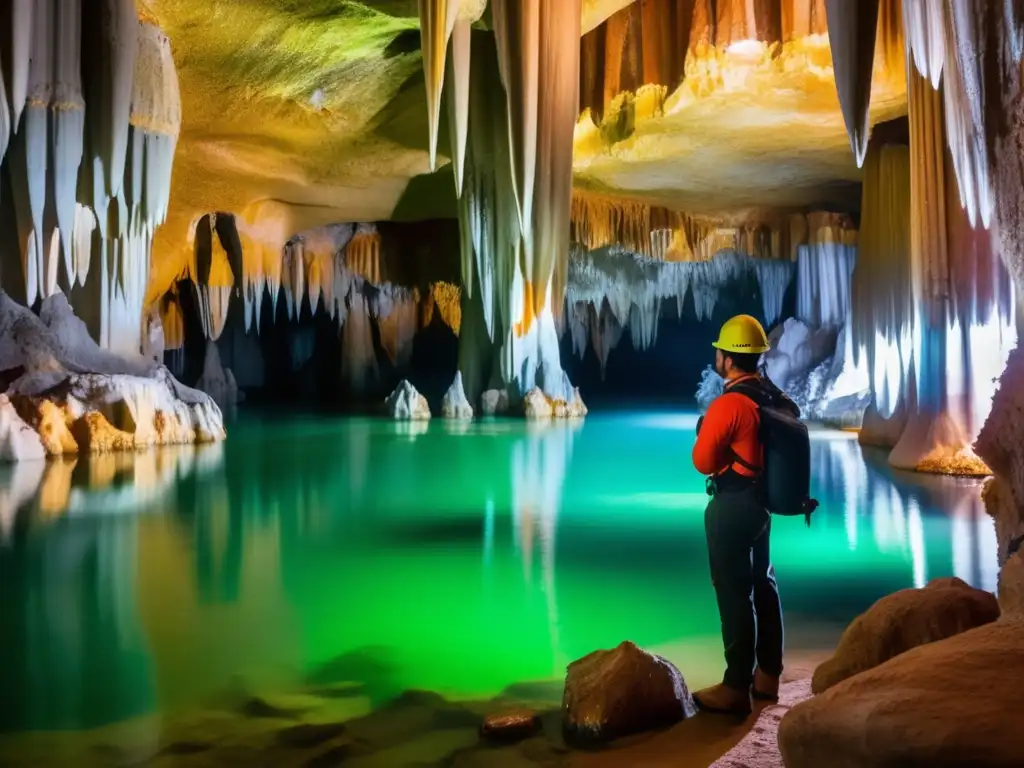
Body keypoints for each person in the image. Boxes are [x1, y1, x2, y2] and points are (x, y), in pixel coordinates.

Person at [690, 314, 799, 718]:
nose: (716, 357)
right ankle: (767, 676)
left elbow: (702, 462)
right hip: (762, 507)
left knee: (733, 593)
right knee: (763, 586)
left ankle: (735, 685)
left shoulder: (730, 404)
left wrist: (709, 435)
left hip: (732, 505)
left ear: (728, 359)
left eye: (719, 352)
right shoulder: (768, 397)